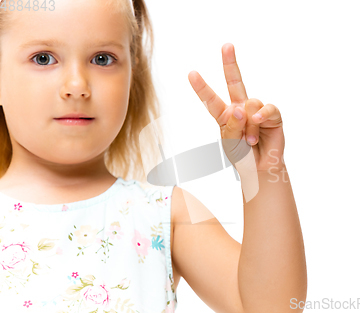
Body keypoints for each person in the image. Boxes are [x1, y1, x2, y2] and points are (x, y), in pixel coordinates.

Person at [0, 0, 307, 312]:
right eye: (43, 58)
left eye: (102, 59)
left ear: (132, 72)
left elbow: (273, 307)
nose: (77, 86)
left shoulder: (164, 215)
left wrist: (263, 170)